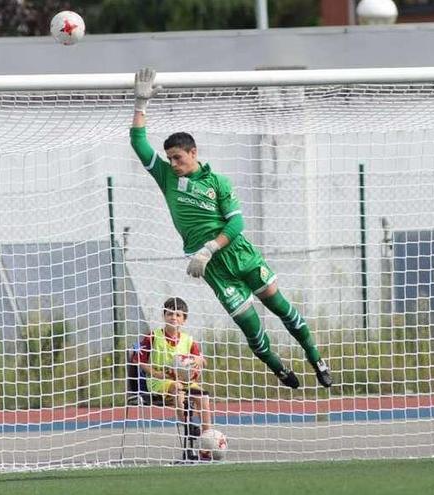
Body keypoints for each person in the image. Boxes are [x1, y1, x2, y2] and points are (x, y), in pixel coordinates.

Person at [130, 68, 332, 389]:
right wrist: (141, 103)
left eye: (178, 157)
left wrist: (209, 247)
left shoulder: (217, 182)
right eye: (169, 158)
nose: (173, 163)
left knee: (282, 308)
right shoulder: (167, 177)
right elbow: (138, 142)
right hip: (215, 270)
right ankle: (279, 368)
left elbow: (237, 222)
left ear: (194, 153)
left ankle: (316, 357)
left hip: (237, 254)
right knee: (252, 330)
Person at [135, 297, 213, 461]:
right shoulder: (153, 337)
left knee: (203, 397)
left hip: (185, 381)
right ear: (164, 316)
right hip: (160, 381)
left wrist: (196, 361)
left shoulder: (188, 340)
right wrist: (156, 373)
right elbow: (138, 360)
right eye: (170, 314)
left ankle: (207, 442)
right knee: (177, 388)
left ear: (184, 320)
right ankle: (188, 426)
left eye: (178, 315)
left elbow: (202, 361)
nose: (173, 318)